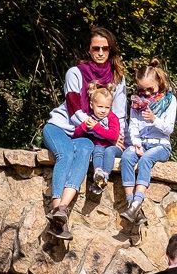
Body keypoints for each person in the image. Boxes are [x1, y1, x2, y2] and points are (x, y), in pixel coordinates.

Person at [42, 27, 127, 239]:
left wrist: (118, 136)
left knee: (85, 152)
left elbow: (118, 113)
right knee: (66, 155)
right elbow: (74, 110)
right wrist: (99, 129)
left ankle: (62, 211)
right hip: (62, 127)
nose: (100, 53)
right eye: (95, 48)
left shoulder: (117, 78)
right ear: (88, 50)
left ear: (111, 51)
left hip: (86, 136)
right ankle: (57, 209)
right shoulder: (75, 73)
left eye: (105, 49)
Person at [120, 59, 177, 224]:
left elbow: (169, 129)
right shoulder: (137, 102)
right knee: (127, 157)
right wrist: (136, 142)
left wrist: (154, 119)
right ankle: (131, 203)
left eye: (150, 89)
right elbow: (133, 126)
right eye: (142, 90)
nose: (146, 94)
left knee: (146, 159)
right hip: (142, 142)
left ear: (159, 82)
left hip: (160, 145)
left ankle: (137, 201)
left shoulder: (169, 101)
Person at [71, 83, 121, 197]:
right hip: (99, 148)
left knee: (109, 151)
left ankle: (105, 175)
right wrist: (84, 126)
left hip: (114, 149)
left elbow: (113, 136)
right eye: (100, 107)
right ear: (92, 105)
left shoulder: (112, 118)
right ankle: (98, 172)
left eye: (107, 107)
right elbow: (76, 135)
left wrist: (96, 128)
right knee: (97, 148)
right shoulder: (90, 119)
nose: (103, 110)